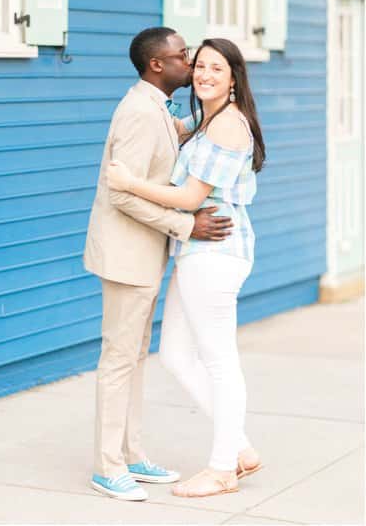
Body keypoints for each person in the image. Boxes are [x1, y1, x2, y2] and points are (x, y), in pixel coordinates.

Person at [107, 37, 265, 498]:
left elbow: (190, 199)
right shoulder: (205, 120)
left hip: (216, 251)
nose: (204, 75)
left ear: (234, 76)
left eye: (217, 68)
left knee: (218, 360)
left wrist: (129, 182)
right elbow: (165, 127)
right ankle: (241, 447)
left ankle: (222, 469)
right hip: (195, 254)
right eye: (198, 66)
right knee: (176, 355)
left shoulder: (228, 126)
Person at [83, 26, 234, 501]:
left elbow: (176, 138)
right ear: (157, 65)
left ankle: (132, 454)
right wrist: (187, 226)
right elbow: (120, 194)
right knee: (118, 361)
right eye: (183, 56)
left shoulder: (157, 109)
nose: (190, 63)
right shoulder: (139, 114)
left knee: (133, 359)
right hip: (127, 255)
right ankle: (108, 466)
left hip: (144, 255)